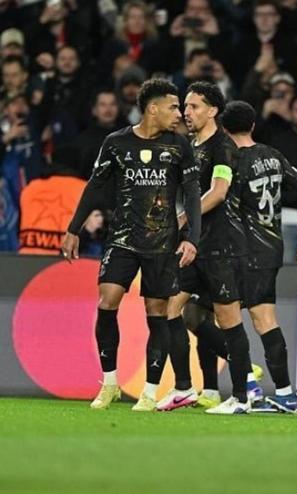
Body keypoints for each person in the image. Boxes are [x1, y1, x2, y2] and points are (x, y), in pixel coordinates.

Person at [61, 78, 201, 411]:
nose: (179, 114)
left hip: (162, 243)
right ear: (153, 108)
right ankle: (109, 383)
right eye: (173, 107)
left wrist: (191, 239)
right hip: (122, 239)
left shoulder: (180, 146)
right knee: (107, 301)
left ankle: (150, 392)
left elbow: (192, 195)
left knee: (157, 311)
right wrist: (73, 229)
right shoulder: (116, 143)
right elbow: (95, 186)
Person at [221, 100, 297, 411]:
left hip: (242, 249)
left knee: (222, 315)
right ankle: (281, 392)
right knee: (264, 319)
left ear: (223, 129)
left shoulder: (229, 160)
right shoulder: (272, 155)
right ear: (252, 126)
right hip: (272, 247)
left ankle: (251, 386)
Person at [154, 81, 254, 414]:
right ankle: (184, 387)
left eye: (194, 106)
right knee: (173, 309)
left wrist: (183, 219)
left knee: (228, 319)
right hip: (195, 246)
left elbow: (219, 191)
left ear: (212, 111)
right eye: (185, 106)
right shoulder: (190, 146)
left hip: (222, 247)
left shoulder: (223, 147)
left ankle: (241, 398)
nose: (186, 112)